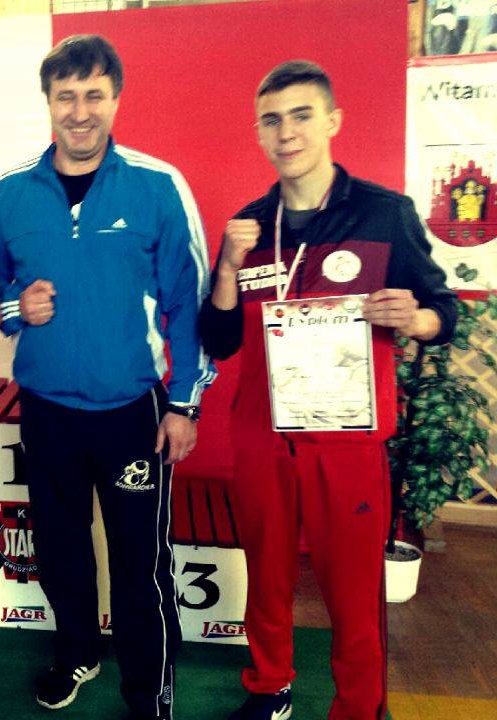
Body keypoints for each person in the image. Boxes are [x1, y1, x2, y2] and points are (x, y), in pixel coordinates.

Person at [197, 60, 457, 720]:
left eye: (301, 115)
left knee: (353, 588)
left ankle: (360, 705)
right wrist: (226, 268)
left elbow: (442, 311)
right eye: (271, 120)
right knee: (267, 573)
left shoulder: (384, 214)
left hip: (346, 439)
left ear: (333, 121)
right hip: (262, 435)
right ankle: (270, 686)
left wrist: (415, 319)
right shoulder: (249, 226)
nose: (286, 132)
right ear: (259, 132)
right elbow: (219, 340)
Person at [0, 34, 214, 720]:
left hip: (131, 411)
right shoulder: (11, 193)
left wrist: (183, 405)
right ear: (48, 102)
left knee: (140, 563)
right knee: (59, 548)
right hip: (46, 408)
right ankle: (76, 652)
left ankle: (148, 692)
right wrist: (14, 308)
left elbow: (189, 301)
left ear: (116, 99)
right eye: (66, 97)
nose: (79, 112)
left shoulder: (157, 185)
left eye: (93, 96)